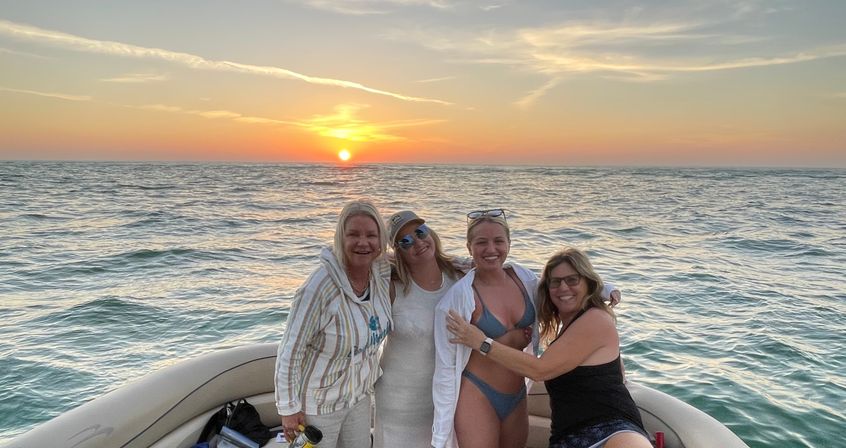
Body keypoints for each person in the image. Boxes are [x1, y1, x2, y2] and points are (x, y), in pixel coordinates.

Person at [432, 210, 619, 448]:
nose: (491, 249)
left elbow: (561, 287)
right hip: (477, 393)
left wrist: (603, 289)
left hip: (517, 394)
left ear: (509, 244)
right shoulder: (456, 300)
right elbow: (445, 370)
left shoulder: (524, 280)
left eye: (498, 241)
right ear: (469, 247)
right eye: (481, 242)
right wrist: (439, 438)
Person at [445, 247, 651, 448]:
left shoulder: (596, 318)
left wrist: (481, 342)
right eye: (556, 282)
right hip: (567, 438)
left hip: (611, 428)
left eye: (572, 280)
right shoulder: (570, 326)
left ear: (588, 284)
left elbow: (539, 370)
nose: (563, 288)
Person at [274, 199, 393, 448]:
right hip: (318, 405)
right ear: (340, 238)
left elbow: (422, 262)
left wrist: (471, 266)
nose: (363, 242)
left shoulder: (380, 272)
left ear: (381, 240)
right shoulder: (319, 286)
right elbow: (290, 350)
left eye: (371, 235)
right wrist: (289, 408)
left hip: (358, 397)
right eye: (354, 234)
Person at [372, 210, 463, 448]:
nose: (418, 242)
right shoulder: (392, 287)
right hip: (398, 402)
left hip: (446, 399)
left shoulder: (458, 277)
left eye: (420, 232)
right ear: (397, 252)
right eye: (405, 241)